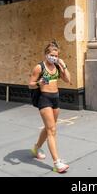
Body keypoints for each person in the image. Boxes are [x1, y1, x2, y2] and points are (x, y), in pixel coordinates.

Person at [28, 40, 71, 173]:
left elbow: (68, 80)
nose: (55, 58)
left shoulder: (57, 66)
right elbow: (30, 84)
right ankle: (57, 163)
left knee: (49, 129)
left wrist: (64, 66)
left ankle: (36, 148)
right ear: (46, 54)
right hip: (44, 98)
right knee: (52, 130)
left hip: (55, 99)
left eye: (57, 56)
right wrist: (39, 82)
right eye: (52, 55)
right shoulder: (39, 67)